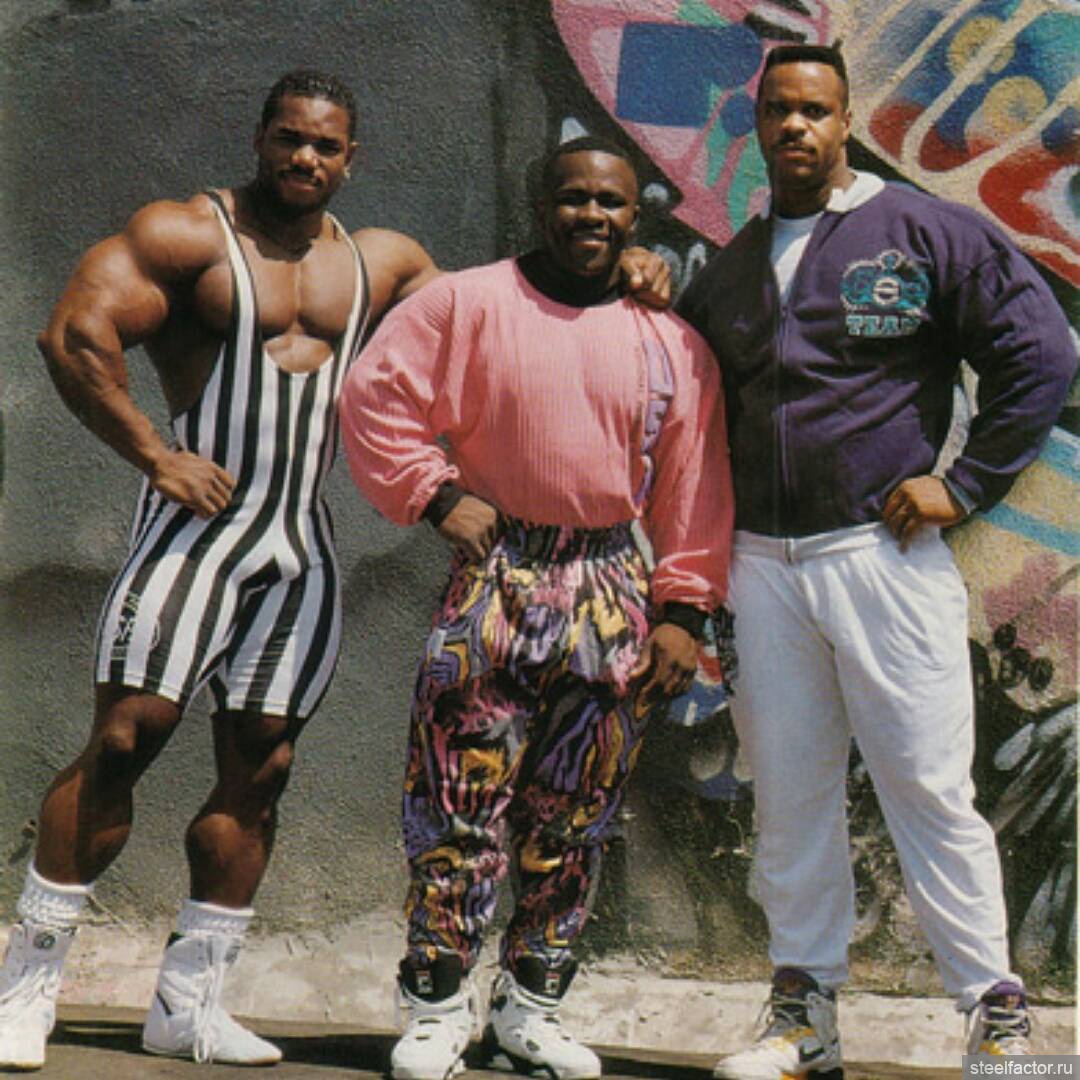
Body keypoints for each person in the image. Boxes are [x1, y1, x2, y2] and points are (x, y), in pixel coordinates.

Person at [0, 69, 673, 1072]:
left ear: (351, 158)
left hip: (299, 546)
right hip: (194, 536)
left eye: (325, 145)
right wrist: (154, 454)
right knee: (128, 736)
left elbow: (515, 311)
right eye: (289, 139)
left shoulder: (384, 263)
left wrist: (628, 266)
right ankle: (26, 986)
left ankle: (189, 1004)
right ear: (261, 138)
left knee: (262, 764)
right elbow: (73, 332)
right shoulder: (188, 235)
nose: (305, 158)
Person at [674, 43, 1077, 1077]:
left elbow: (1041, 348)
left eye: (815, 110)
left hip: (880, 557)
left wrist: (966, 483)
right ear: (757, 122)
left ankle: (996, 1019)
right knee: (788, 794)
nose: (795, 126)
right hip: (763, 567)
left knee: (928, 787)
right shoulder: (731, 267)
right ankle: (803, 1017)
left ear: (845, 120)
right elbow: (678, 393)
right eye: (778, 109)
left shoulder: (922, 231)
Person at [340, 134, 734, 1080]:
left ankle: (531, 1008)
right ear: (540, 204)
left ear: (636, 217)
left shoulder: (670, 342)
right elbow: (372, 395)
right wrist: (435, 492)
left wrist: (683, 610)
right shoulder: (467, 303)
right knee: (457, 800)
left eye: (610, 202)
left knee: (576, 816)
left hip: (610, 587)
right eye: (573, 197)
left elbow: (694, 479)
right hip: (498, 577)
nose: (590, 215)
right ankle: (436, 1005)